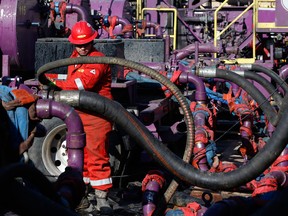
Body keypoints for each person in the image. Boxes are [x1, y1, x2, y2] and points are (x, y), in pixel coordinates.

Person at [49, 20, 113, 215]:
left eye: (86, 44)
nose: (82, 48)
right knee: (80, 157)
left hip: (97, 116)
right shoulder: (74, 58)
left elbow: (81, 83)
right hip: (78, 115)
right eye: (78, 44)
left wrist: (52, 82)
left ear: (93, 41)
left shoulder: (98, 59)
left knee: (97, 156)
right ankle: (83, 194)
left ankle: (102, 198)